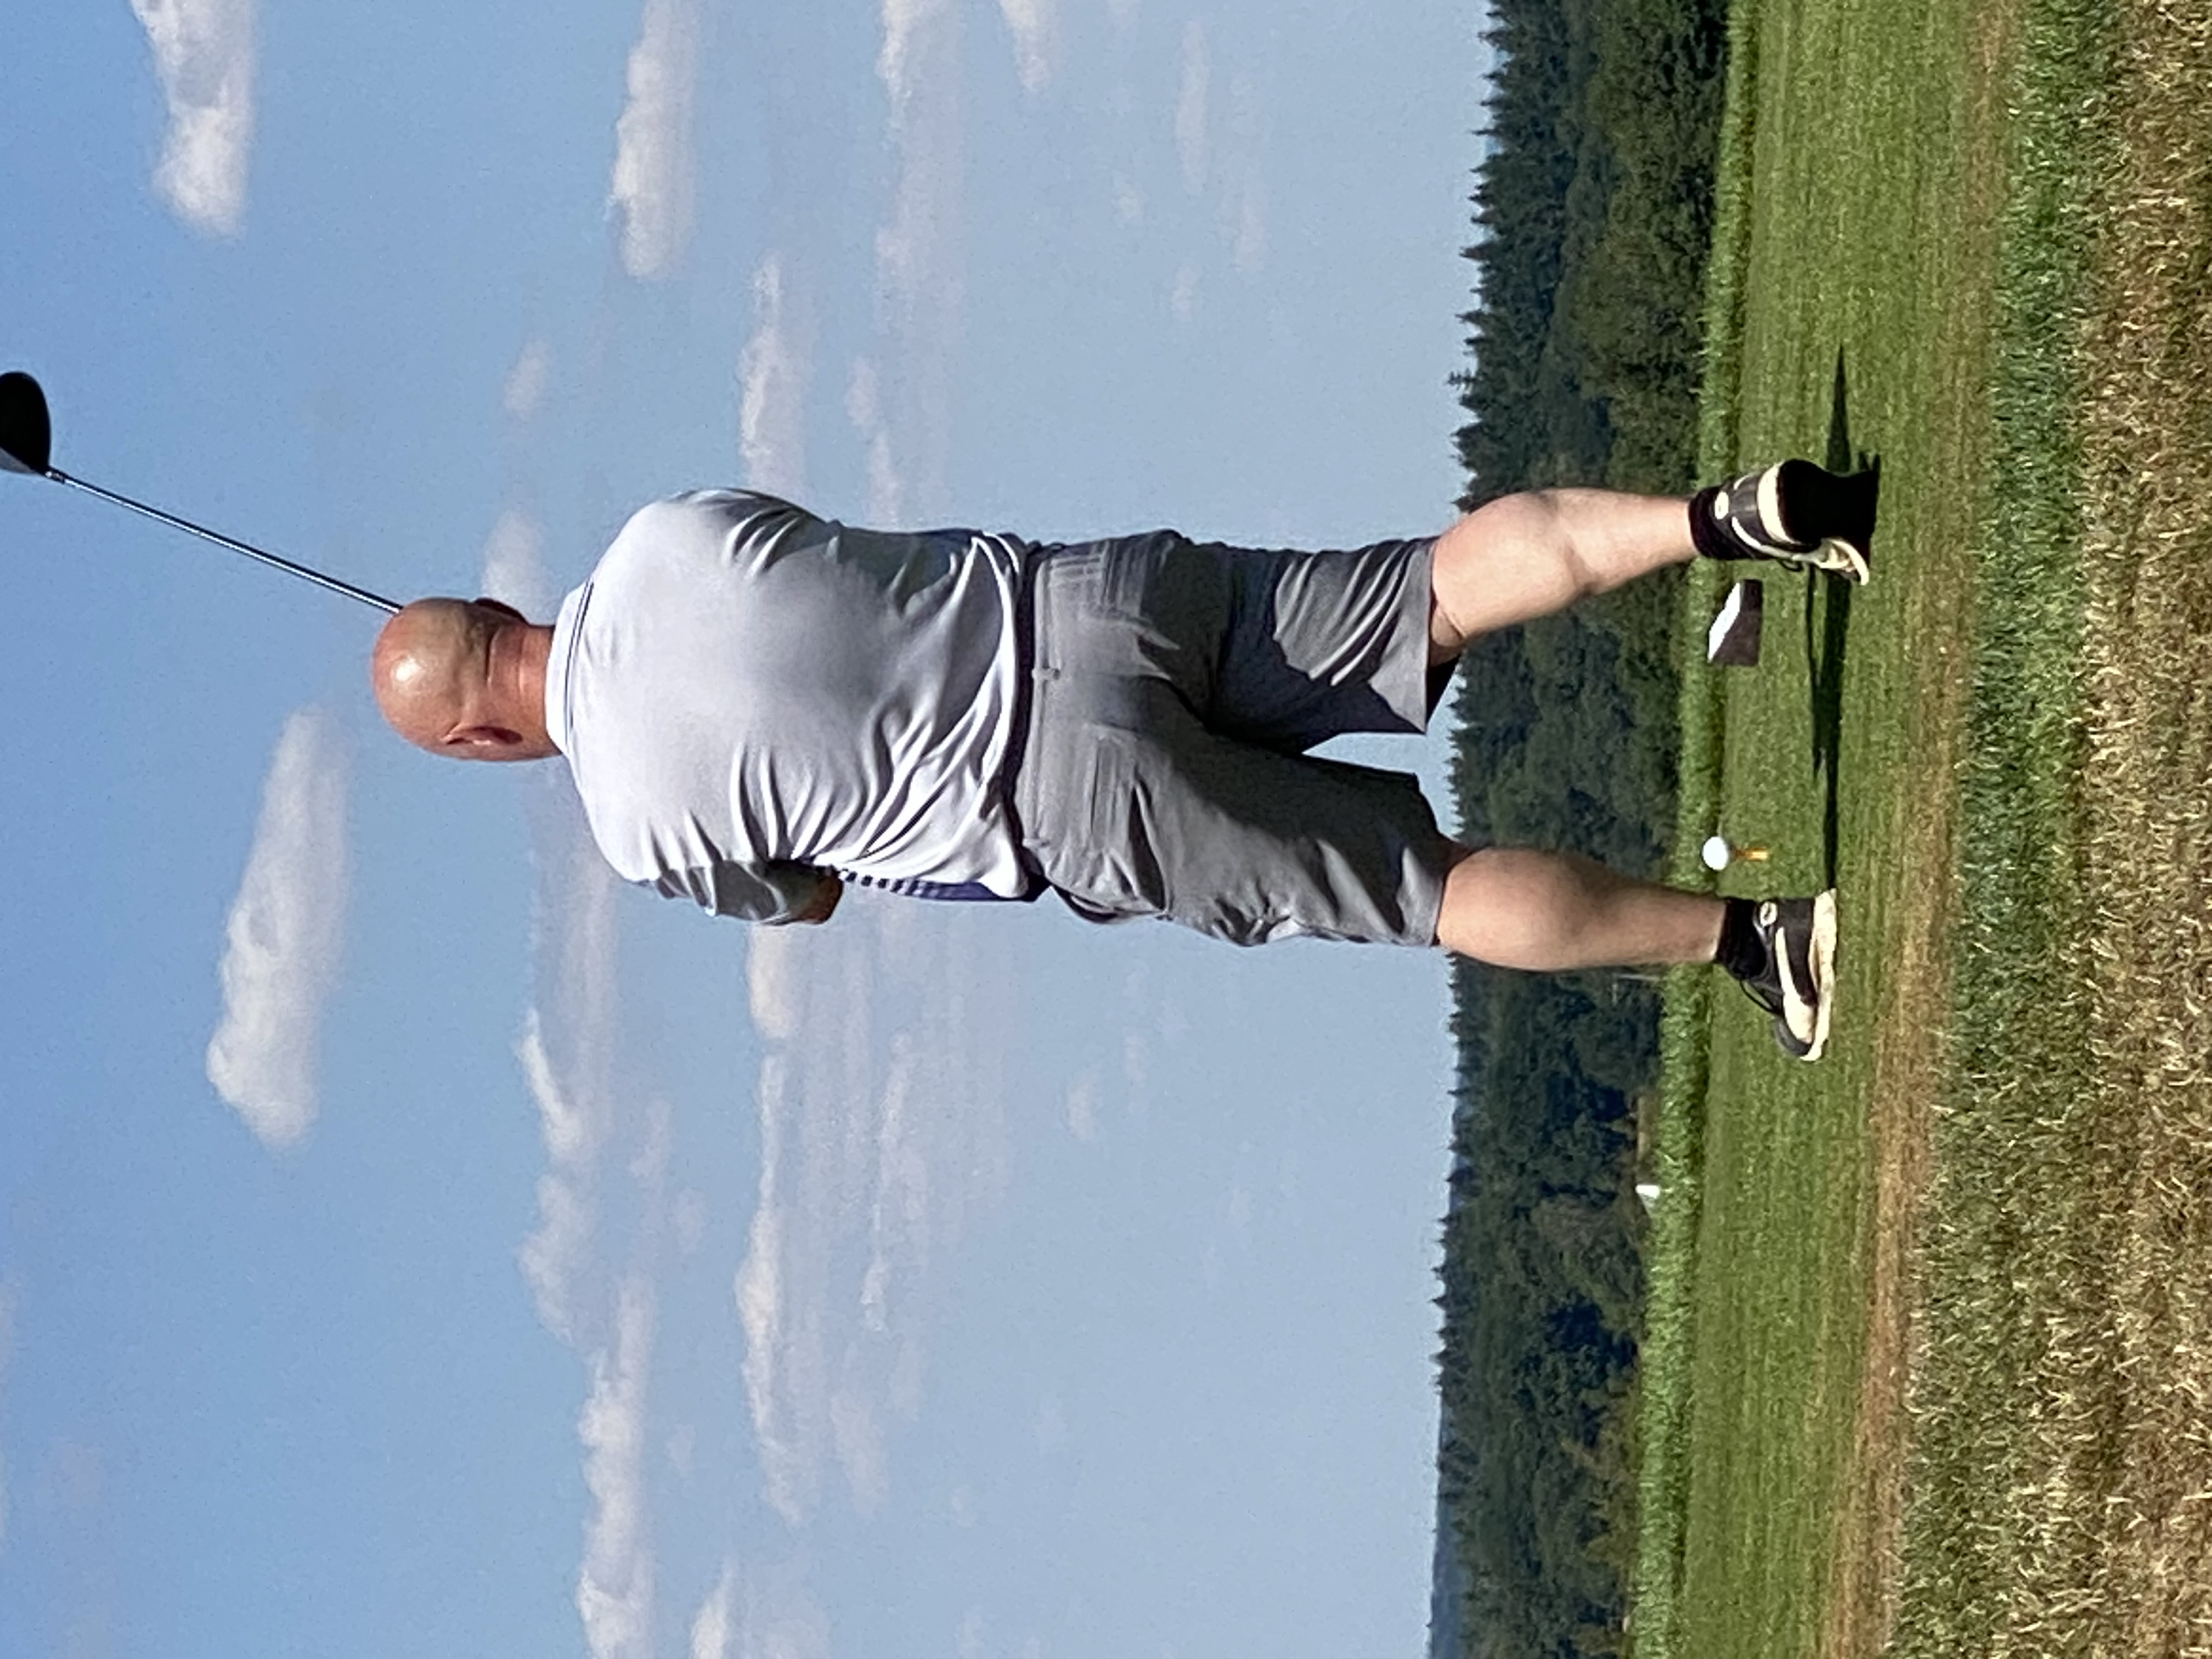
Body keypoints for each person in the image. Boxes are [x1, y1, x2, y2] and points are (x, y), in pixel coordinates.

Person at [370, 462, 1875, 1059]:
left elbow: (808, 895)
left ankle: (1761, 936)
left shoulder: (636, 830)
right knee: (1432, 586)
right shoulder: (663, 531)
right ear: (498, 609)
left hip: (1071, 807)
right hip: (1095, 597)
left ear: (480, 739)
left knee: (1431, 890)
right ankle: (1725, 519)